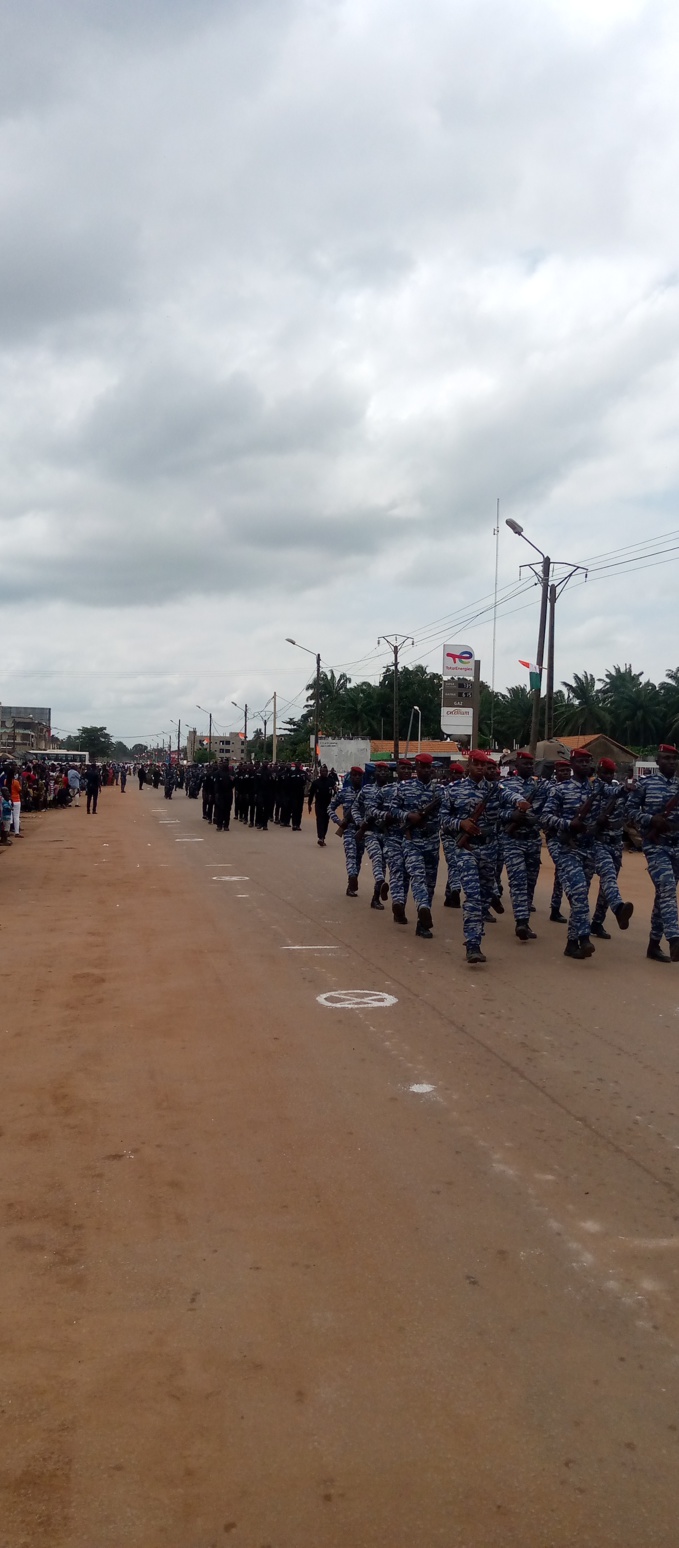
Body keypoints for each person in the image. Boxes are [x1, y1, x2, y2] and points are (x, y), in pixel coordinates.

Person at [441, 750, 526, 963]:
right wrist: (460, 823)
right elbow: (442, 818)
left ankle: (476, 934)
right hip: (466, 849)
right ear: (469, 765)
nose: (480, 767)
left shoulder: (495, 789)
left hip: (490, 849)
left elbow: (510, 795)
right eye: (476, 763)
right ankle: (473, 944)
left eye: (483, 764)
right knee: (472, 895)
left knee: (485, 896)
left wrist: (520, 802)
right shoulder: (454, 790)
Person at [626, 743, 679, 962]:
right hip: (656, 845)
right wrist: (650, 819)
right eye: (666, 759)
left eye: (674, 759)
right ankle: (675, 939)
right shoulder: (645, 784)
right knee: (667, 888)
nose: (671, 762)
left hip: (677, 845)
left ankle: (653, 944)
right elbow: (629, 811)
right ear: (657, 762)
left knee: (663, 894)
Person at [394, 752, 443, 938]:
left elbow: (445, 813)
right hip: (412, 840)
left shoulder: (439, 791)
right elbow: (393, 809)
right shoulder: (404, 788)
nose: (427, 770)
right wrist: (409, 816)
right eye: (423, 767)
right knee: (418, 876)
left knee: (430, 882)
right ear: (417, 767)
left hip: (431, 840)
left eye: (429, 767)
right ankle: (423, 907)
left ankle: (423, 924)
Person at [590, 758, 627, 938]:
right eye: (605, 773)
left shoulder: (616, 787)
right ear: (598, 772)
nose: (608, 776)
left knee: (607, 885)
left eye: (611, 773)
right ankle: (619, 907)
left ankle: (597, 922)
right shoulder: (594, 787)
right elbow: (611, 791)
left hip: (616, 843)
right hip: (598, 842)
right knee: (608, 875)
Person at [352, 764, 392, 909]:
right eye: (380, 771)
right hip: (370, 832)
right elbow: (355, 807)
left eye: (385, 771)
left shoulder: (393, 790)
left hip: (387, 833)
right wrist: (359, 822)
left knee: (384, 863)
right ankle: (381, 883)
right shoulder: (367, 789)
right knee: (376, 857)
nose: (382, 773)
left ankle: (376, 897)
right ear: (375, 773)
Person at [330, 766, 365, 895]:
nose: (357, 778)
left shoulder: (365, 793)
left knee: (358, 858)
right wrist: (338, 821)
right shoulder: (344, 793)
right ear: (350, 777)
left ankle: (351, 885)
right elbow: (330, 808)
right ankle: (352, 877)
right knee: (351, 855)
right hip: (348, 829)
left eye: (359, 775)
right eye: (354, 775)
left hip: (361, 830)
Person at [440, 763, 465, 907]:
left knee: (456, 862)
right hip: (448, 833)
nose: (457, 778)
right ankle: (455, 888)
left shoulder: (464, 790)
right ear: (450, 775)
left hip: (461, 833)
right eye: (455, 775)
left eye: (459, 775)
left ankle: (449, 894)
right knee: (453, 861)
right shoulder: (443, 790)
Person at [308, 764, 333, 845]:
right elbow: (311, 794)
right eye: (322, 771)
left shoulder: (331, 782)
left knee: (326, 821)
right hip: (319, 804)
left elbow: (336, 794)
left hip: (328, 805)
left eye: (325, 771)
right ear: (320, 772)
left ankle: (323, 836)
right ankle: (320, 837)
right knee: (319, 820)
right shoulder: (316, 783)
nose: (324, 773)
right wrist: (309, 804)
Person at [214, 760, 233, 832]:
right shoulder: (218, 773)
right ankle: (219, 825)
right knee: (220, 810)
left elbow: (234, 783)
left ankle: (226, 825)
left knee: (227, 810)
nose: (225, 764)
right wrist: (216, 793)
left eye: (226, 763)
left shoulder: (231, 773)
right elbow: (216, 784)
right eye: (224, 763)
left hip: (228, 793)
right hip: (220, 793)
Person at [10, 768, 23, 836]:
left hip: (9, 800)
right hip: (16, 800)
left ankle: (7, 832)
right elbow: (19, 790)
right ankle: (16, 832)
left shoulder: (6, 781)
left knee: (8, 816)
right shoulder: (16, 782)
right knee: (16, 817)